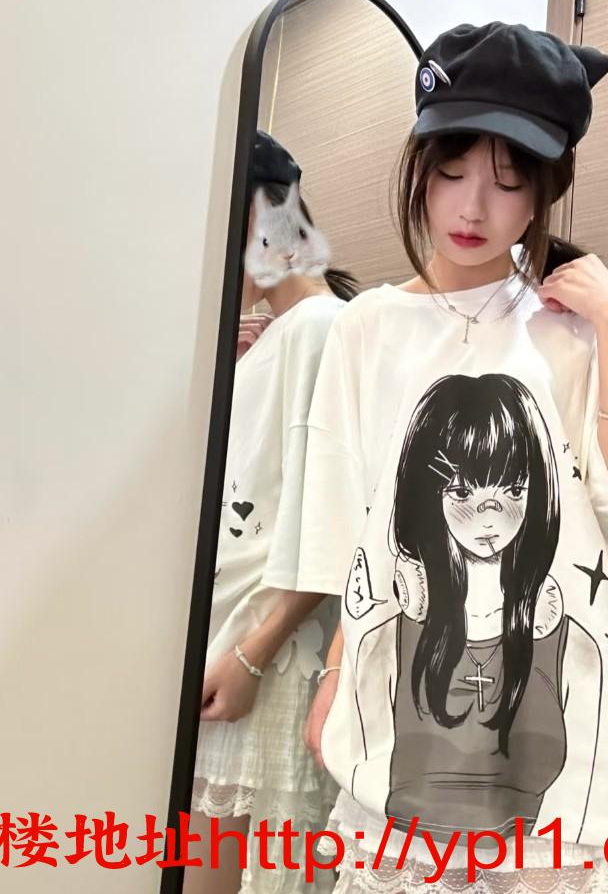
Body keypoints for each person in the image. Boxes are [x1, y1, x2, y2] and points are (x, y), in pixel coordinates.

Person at [297, 23, 608, 894]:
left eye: (509, 181)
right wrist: (335, 672)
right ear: (419, 167)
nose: (473, 208)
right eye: (451, 171)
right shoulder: (366, 327)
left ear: (546, 188)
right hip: (414, 709)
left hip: (574, 721)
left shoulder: (582, 324)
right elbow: (354, 524)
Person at [183, 131, 358, 894]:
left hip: (270, 660)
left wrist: (252, 656)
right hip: (235, 651)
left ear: (260, 219)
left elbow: (336, 522)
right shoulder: (283, 335)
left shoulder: (322, 328)